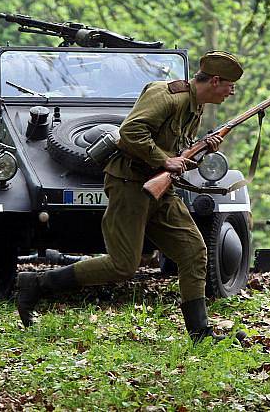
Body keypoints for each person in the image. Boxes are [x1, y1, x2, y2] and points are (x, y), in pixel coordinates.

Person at [16, 50, 244, 342]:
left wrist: (201, 149)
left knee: (193, 252)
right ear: (215, 81)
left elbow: (176, 149)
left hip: (161, 189)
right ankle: (37, 284)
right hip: (130, 184)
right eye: (229, 85)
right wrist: (165, 161)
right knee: (123, 265)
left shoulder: (193, 106)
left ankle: (200, 334)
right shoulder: (167, 96)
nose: (231, 92)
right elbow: (130, 132)